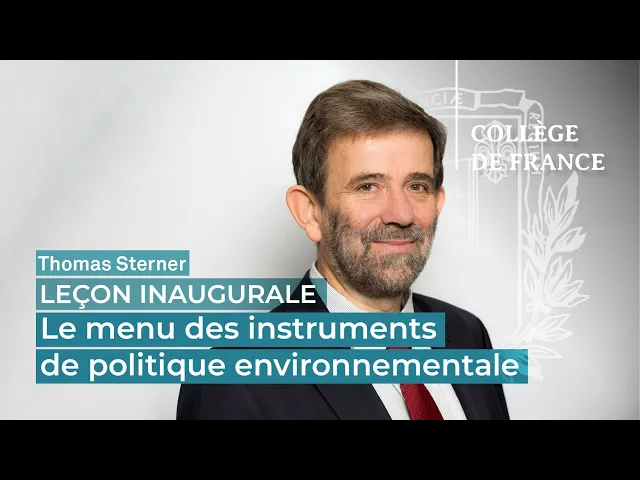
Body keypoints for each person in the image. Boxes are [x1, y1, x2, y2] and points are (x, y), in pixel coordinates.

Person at [176, 79, 510, 420]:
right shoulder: (231, 379)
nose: (402, 214)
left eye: (416, 186)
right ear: (310, 213)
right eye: (368, 186)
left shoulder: (466, 335)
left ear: (438, 201)